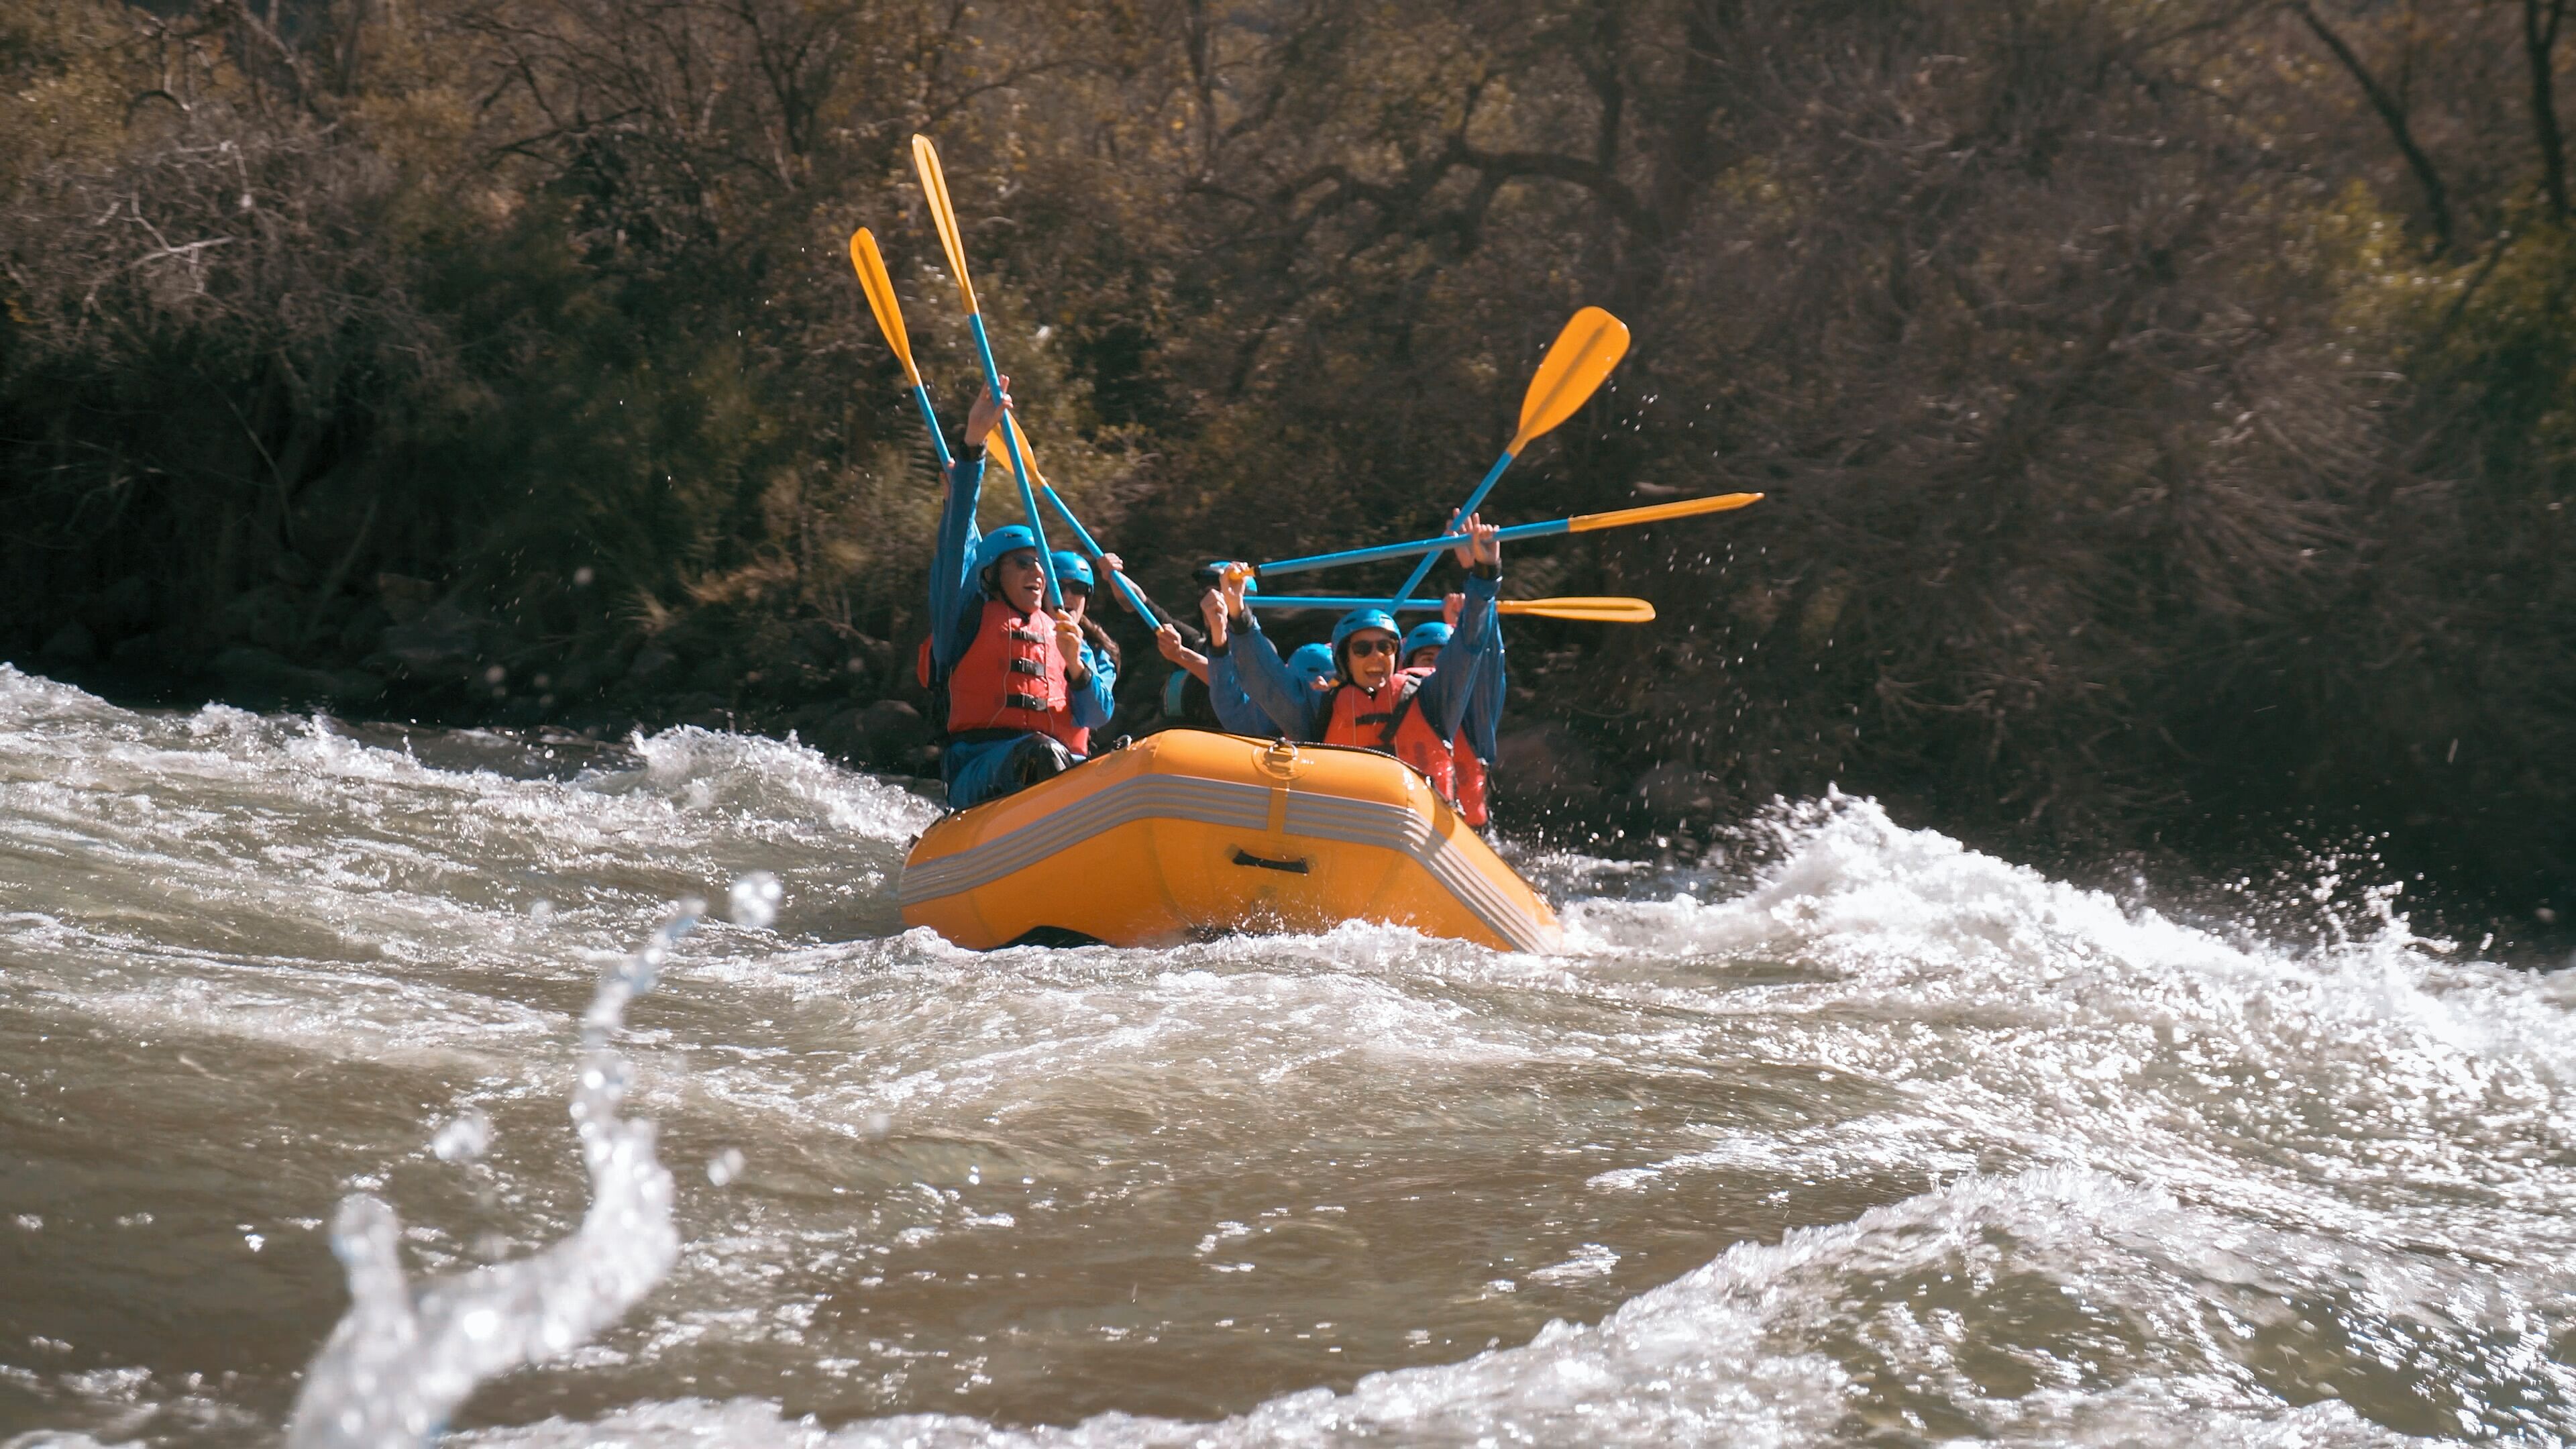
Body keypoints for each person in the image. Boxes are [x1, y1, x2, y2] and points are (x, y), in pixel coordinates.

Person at [1217, 515, 1505, 816]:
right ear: (1345, 659)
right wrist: (1238, 615)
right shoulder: (1320, 710)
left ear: (1397, 654)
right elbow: (1266, 678)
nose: (1376, 656)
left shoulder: (1435, 700)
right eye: (1363, 649)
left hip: (1420, 830)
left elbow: (1469, 647)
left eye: (1386, 647)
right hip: (1352, 830)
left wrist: (1483, 576)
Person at [925, 379, 1118, 810]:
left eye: (1040, 565)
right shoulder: (963, 616)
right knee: (1041, 753)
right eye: (1022, 563)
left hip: (1062, 765)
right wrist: (974, 444)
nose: (1038, 574)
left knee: (1099, 758)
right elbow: (957, 543)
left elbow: (1097, 717)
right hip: (980, 767)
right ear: (992, 576)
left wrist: (1076, 665)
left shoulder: (1064, 630)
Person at [1399, 612, 1499, 830]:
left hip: (1469, 833)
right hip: (1413, 822)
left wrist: (1469, 617)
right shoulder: (1393, 704)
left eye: (1444, 662)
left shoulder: (1477, 714)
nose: (1437, 671)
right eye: (1428, 660)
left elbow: (1485, 662)